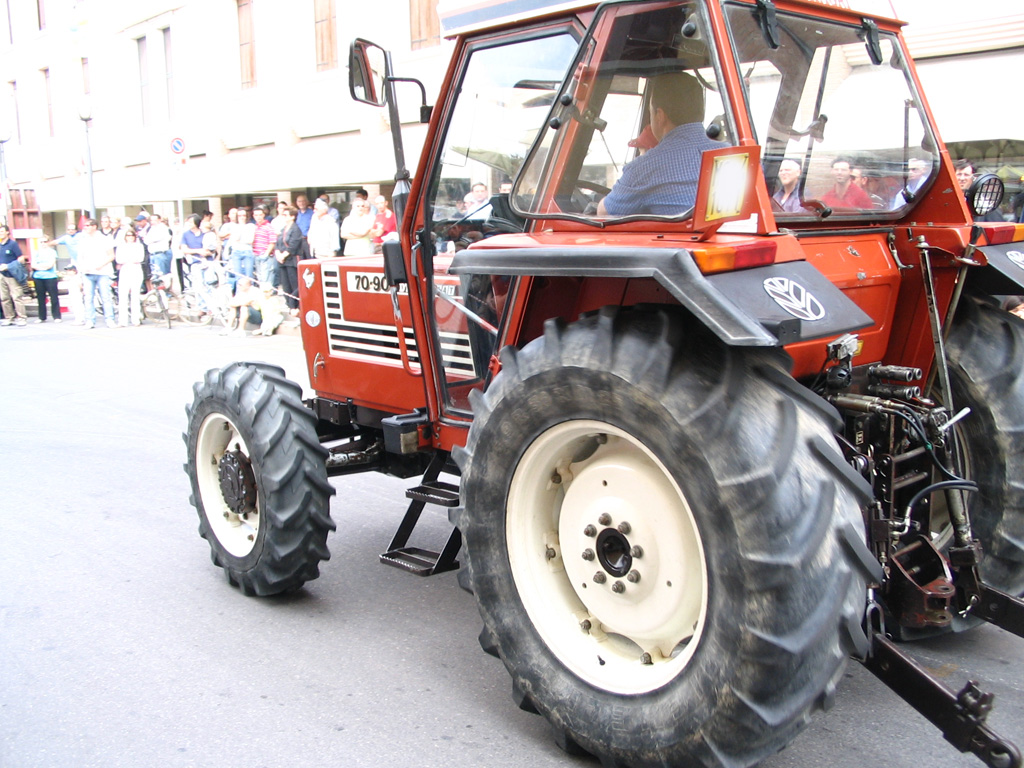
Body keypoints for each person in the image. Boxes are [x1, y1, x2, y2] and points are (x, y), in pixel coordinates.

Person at [598, 71, 722, 217]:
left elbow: (604, 213)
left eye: (650, 113)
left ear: (660, 116)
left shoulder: (644, 169)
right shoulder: (734, 156)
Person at [77, 218, 116, 329]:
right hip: (87, 272)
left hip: (102, 272)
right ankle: (90, 320)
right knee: (88, 298)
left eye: (88, 225)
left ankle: (110, 319)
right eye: (85, 226)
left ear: (94, 226)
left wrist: (101, 265)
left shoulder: (104, 239)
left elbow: (111, 255)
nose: (86, 228)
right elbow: (80, 257)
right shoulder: (83, 240)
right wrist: (81, 270)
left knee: (105, 297)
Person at [274, 205, 303, 314]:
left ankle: (296, 306)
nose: (284, 217)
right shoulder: (283, 229)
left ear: (292, 216)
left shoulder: (296, 229)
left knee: (294, 284)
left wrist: (284, 255)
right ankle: (289, 306)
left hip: (292, 260)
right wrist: (278, 254)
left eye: (286, 215)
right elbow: (278, 243)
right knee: (286, 285)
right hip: (283, 262)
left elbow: (293, 245)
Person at [115, 228, 145, 326]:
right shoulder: (121, 246)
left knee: (135, 295)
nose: (130, 237)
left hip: (136, 270)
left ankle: (135, 319)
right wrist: (129, 259)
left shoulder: (139, 246)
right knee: (123, 295)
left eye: (132, 235)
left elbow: (140, 258)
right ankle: (122, 321)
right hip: (125, 270)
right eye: (128, 235)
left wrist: (128, 259)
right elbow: (119, 259)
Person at [0, 224, 29, 326]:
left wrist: (8, 266)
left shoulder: (13, 244)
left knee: (17, 296)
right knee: (4, 298)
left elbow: (21, 259)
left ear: (7, 232)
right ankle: (9, 318)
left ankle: (22, 318)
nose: (0, 233)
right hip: (1, 275)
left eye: (2, 231)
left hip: (12, 274)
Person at [31, 243, 61, 323]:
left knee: (53, 297)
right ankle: (42, 317)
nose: (43, 243)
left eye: (45, 241)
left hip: (50, 277)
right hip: (38, 277)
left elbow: (50, 265)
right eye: (41, 242)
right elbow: (33, 265)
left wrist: (40, 266)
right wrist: (43, 267)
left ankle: (56, 316)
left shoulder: (52, 252)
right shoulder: (36, 252)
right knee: (40, 298)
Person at [228, 206, 256, 291]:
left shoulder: (251, 226)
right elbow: (234, 239)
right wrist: (241, 238)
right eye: (239, 216)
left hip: (247, 251)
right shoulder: (234, 226)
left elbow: (250, 240)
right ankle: (239, 294)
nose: (242, 217)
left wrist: (240, 240)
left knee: (249, 275)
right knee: (238, 275)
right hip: (236, 251)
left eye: (244, 215)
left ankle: (250, 293)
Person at [252, 205, 277, 288]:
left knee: (266, 278)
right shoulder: (254, 227)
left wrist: (266, 254)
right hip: (256, 255)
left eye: (260, 215)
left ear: (263, 215)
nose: (258, 217)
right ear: (253, 216)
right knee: (260, 278)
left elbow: (272, 242)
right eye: (256, 215)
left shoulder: (269, 226)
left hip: (266, 256)